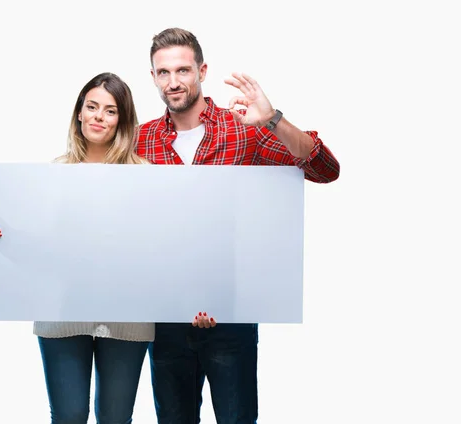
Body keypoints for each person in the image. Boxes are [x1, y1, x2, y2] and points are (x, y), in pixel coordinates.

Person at [135, 28, 340, 424]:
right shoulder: (141, 140)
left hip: (231, 312)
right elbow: (104, 211)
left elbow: (324, 168)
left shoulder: (241, 126)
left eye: (182, 70)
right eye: (163, 73)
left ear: (202, 70)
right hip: (166, 320)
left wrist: (273, 119)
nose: (173, 81)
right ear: (153, 77)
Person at [0, 72, 153, 424]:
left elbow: (158, 247)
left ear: (122, 119)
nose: (98, 117)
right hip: (63, 311)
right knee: (69, 415)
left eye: (110, 111)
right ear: (79, 112)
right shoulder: (53, 173)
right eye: (91, 107)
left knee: (115, 417)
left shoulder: (144, 175)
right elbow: (38, 244)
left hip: (126, 315)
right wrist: (1, 235)